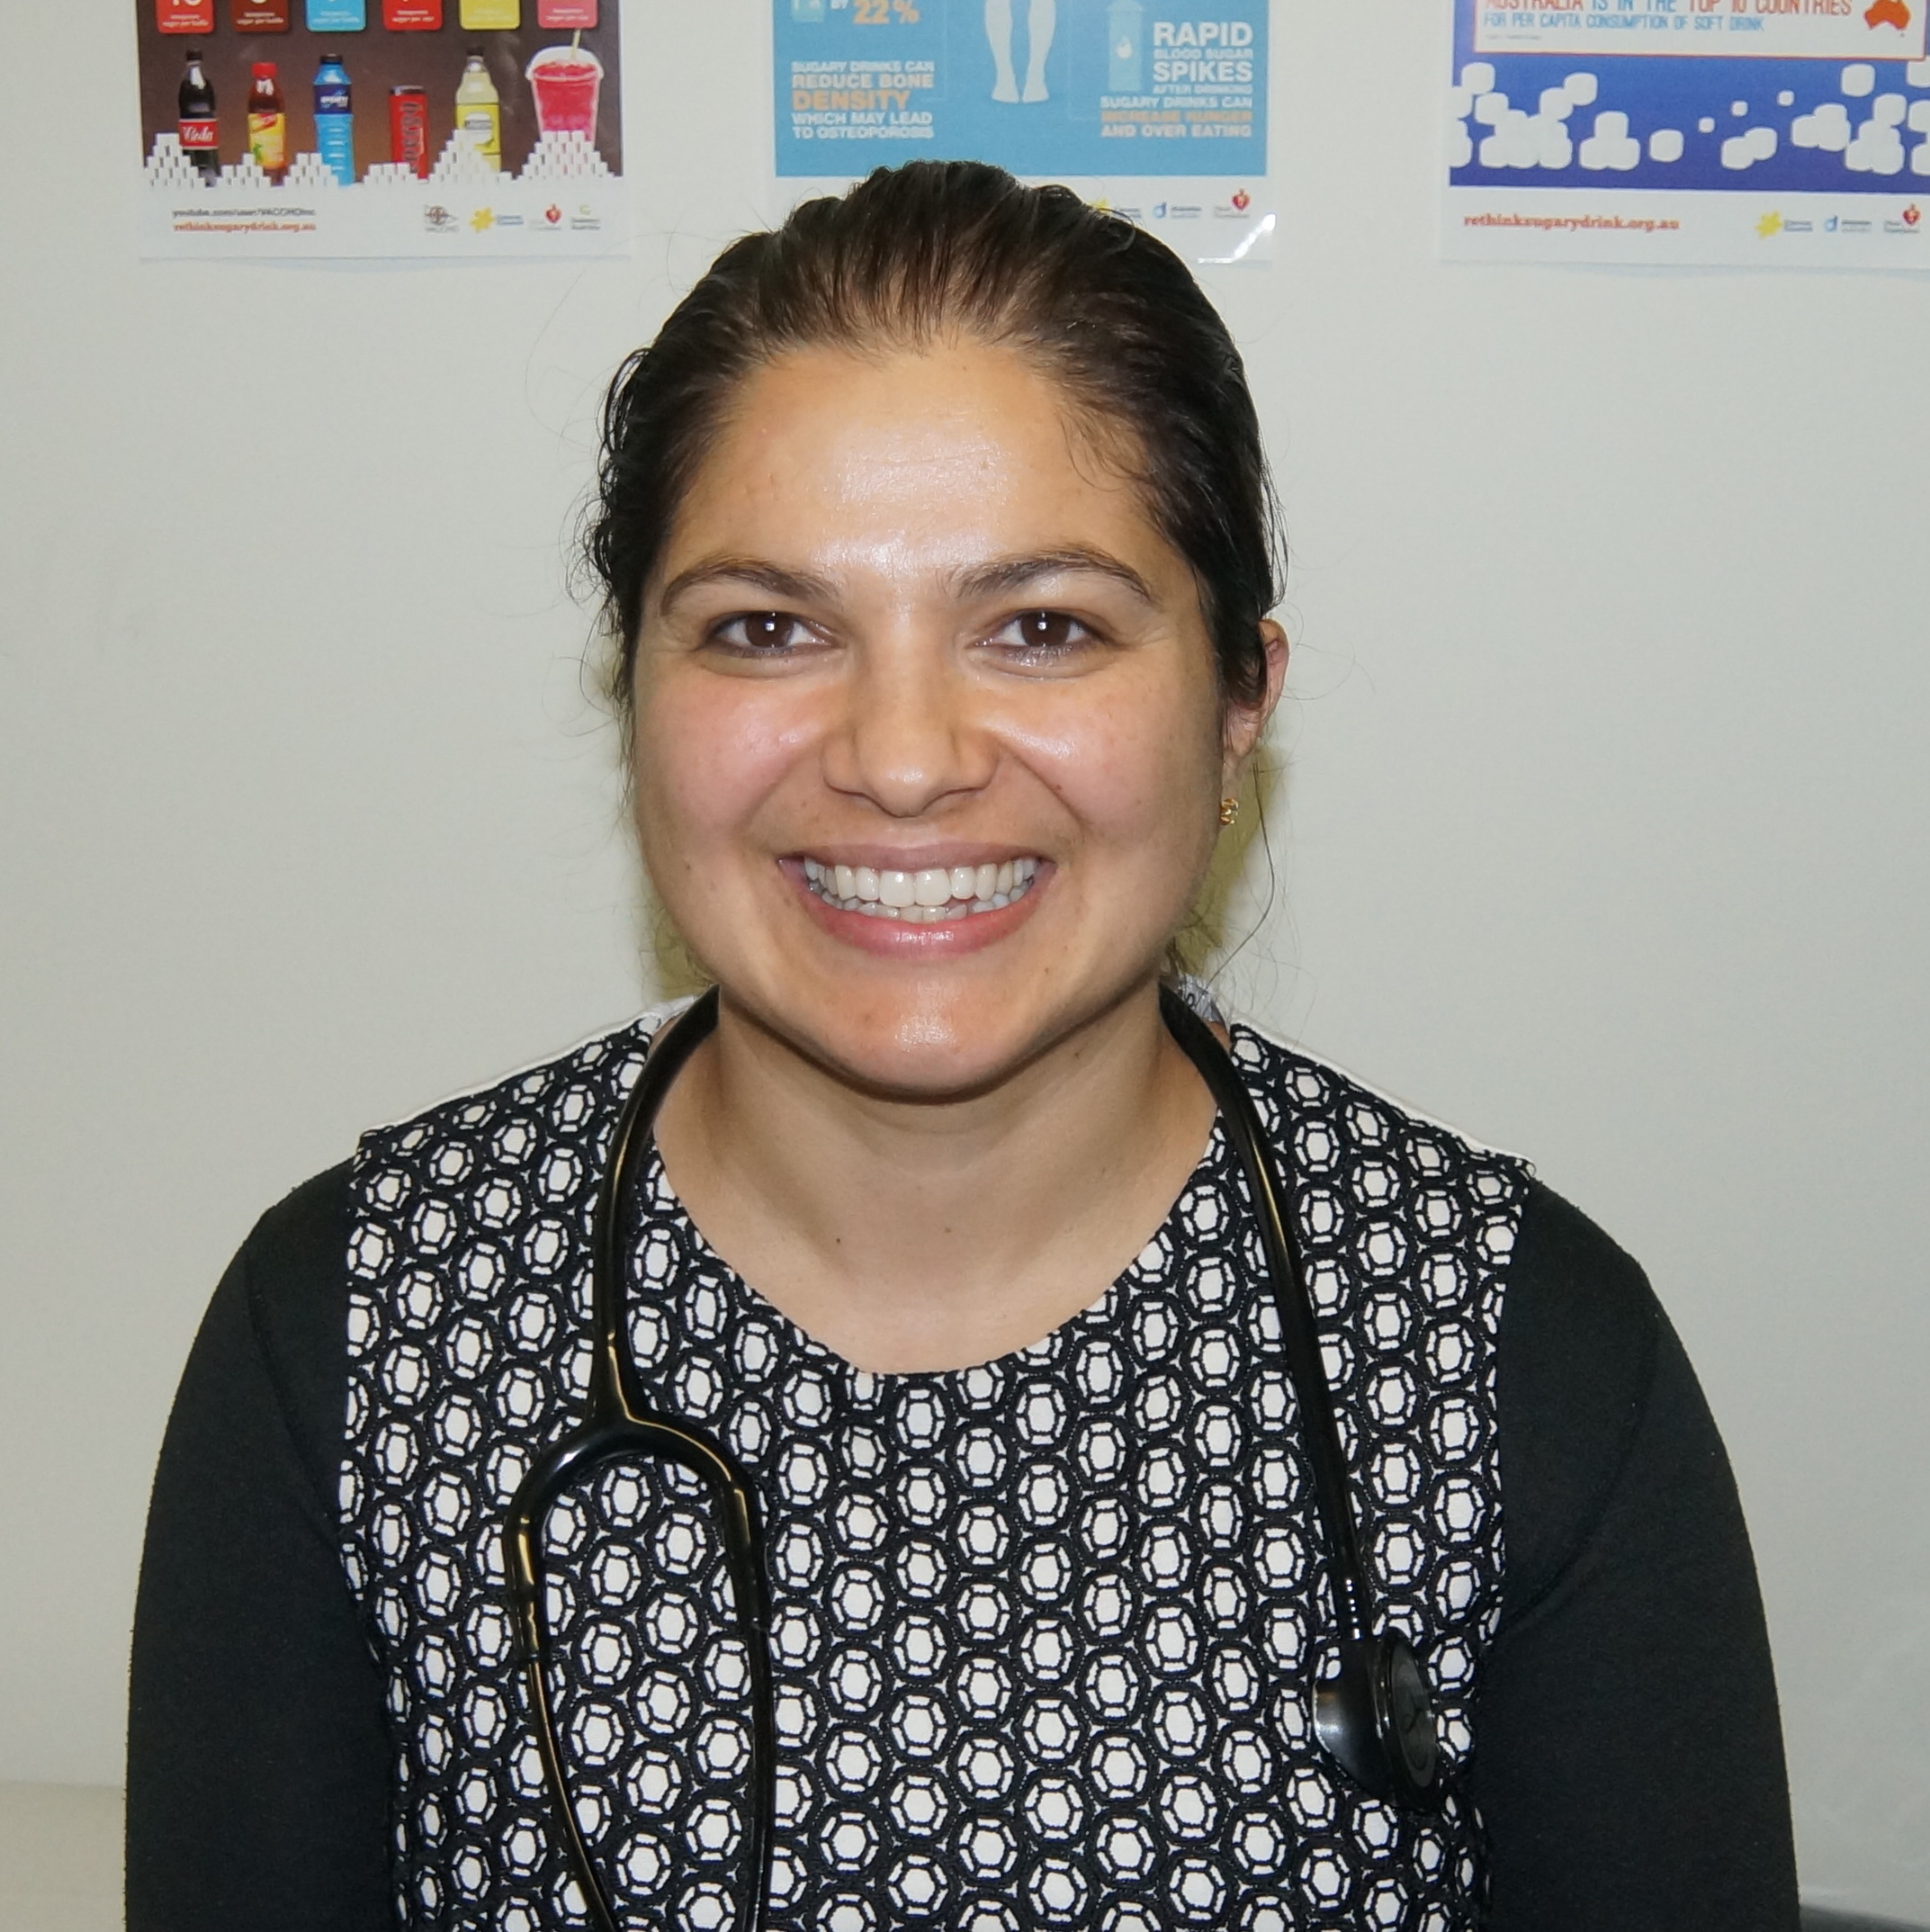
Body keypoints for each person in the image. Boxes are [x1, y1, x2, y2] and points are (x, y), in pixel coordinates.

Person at [127, 161, 1800, 1932]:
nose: (904, 757)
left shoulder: (1510, 1351)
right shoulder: (359, 1328)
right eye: (768, 629)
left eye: (1042, 627)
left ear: (1237, 703)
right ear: (635, 694)